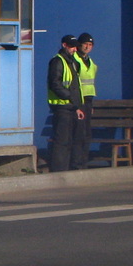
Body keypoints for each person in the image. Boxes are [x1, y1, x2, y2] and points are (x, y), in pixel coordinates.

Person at [47, 33, 90, 172]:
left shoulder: (71, 62)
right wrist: (69, 97)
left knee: (73, 139)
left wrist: (77, 107)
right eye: (72, 47)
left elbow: (75, 86)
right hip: (62, 106)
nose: (74, 49)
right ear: (64, 45)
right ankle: (59, 171)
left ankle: (70, 169)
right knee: (62, 141)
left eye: (76, 47)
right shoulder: (57, 61)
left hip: (71, 107)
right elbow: (55, 83)